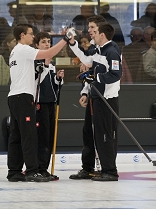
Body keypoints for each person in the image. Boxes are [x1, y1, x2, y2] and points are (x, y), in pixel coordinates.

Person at [7, 23, 69, 182]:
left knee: (16, 136)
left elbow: (38, 73)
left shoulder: (15, 52)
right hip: (23, 97)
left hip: (14, 96)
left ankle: (14, 171)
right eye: (30, 33)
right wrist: (65, 39)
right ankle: (32, 171)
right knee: (29, 135)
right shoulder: (23, 49)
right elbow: (49, 52)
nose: (32, 36)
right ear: (22, 35)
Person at [68, 17, 122, 181]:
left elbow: (115, 74)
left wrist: (96, 78)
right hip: (95, 97)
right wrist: (72, 43)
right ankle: (88, 168)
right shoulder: (98, 50)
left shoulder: (111, 51)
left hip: (106, 99)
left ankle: (110, 170)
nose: (91, 33)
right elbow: (86, 60)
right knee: (89, 133)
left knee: (105, 135)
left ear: (102, 34)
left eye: (94, 30)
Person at [33, 32, 64, 180]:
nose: (47, 44)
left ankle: (45, 167)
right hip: (40, 104)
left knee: (50, 136)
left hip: (51, 103)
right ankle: (39, 167)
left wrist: (58, 78)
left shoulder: (50, 64)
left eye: (48, 42)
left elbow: (53, 85)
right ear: (37, 45)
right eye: (43, 42)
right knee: (42, 137)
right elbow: (36, 82)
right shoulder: (35, 62)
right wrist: (45, 65)